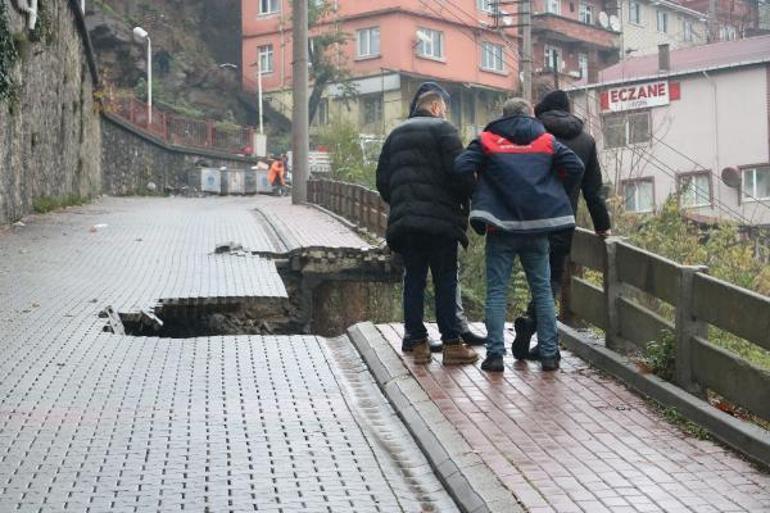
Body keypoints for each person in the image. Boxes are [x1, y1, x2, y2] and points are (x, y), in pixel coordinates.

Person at [454, 98, 584, 372]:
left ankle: (495, 356)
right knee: (543, 291)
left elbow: (461, 167)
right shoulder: (546, 141)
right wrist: (549, 192)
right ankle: (549, 355)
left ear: (504, 116)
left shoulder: (488, 139)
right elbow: (576, 167)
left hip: (500, 228)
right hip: (538, 228)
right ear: (528, 116)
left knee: (497, 291)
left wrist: (483, 193)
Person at [376, 82, 479, 366]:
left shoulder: (395, 134)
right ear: (435, 107)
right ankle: (451, 344)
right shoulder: (444, 130)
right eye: (443, 109)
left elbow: (382, 180)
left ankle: (418, 343)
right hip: (441, 223)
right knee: (445, 280)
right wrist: (463, 199)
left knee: (414, 280)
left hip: (406, 223)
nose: (445, 114)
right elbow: (461, 175)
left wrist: (401, 201)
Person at [514, 90, 612, 361]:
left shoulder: (532, 134)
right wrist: (602, 225)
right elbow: (593, 192)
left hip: (530, 219)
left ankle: (537, 328)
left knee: (538, 279)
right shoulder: (586, 140)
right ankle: (541, 335)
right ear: (568, 110)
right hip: (562, 220)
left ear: (541, 111)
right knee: (552, 281)